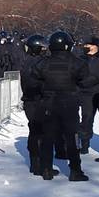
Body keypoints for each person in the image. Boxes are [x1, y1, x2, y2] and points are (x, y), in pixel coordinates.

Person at [24, 31, 91, 181]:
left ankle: (46, 169)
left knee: (48, 138)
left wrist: (45, 88)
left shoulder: (43, 63)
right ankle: (75, 171)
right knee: (72, 139)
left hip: (48, 104)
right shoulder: (76, 62)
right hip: (70, 104)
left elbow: (32, 82)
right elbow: (86, 80)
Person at [18, 35, 54, 177]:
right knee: (43, 134)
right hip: (39, 101)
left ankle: (35, 164)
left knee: (34, 132)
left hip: (30, 101)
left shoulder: (26, 62)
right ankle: (43, 166)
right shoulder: (41, 63)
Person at [76, 38, 99, 154]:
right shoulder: (80, 59)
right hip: (86, 93)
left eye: (89, 44)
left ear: (96, 46)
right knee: (87, 119)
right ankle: (84, 143)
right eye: (85, 44)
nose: (86, 46)